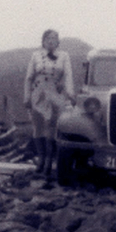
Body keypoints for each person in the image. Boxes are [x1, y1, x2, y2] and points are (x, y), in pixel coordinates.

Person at [24, 29, 75, 176]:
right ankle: (41, 158)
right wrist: (27, 97)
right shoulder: (36, 55)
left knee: (51, 128)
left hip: (54, 95)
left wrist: (70, 95)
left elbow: (68, 76)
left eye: (54, 38)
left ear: (58, 41)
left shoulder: (64, 56)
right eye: (48, 38)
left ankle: (49, 161)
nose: (51, 41)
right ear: (43, 41)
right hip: (38, 95)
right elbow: (29, 78)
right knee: (38, 128)